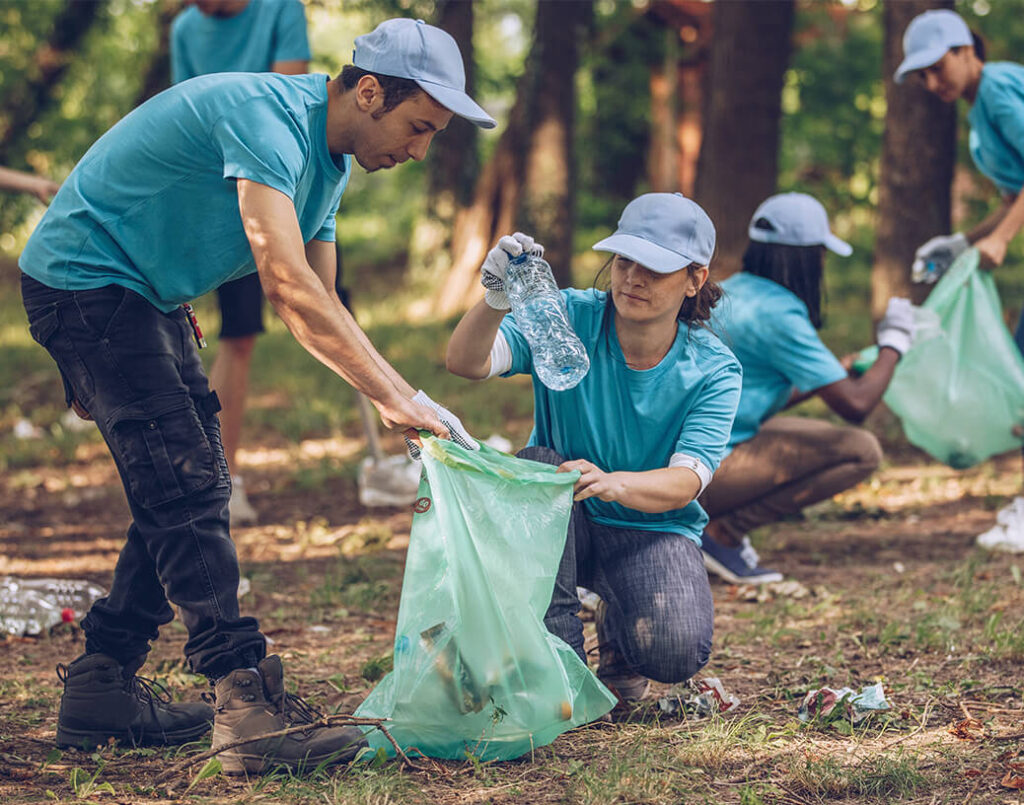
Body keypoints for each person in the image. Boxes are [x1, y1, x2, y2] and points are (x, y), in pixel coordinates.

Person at [20, 18, 492, 773]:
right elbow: (283, 281)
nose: (418, 149)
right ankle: (244, 703)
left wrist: (402, 397)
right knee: (181, 482)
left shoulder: (328, 167)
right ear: (369, 91)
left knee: (191, 476)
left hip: (143, 292)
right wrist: (396, 397)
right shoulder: (268, 118)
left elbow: (322, 299)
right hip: (85, 280)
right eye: (418, 127)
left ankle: (102, 683)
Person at [446, 193, 742, 703]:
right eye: (625, 260)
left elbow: (685, 482)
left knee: (675, 651)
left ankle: (619, 630)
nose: (633, 278)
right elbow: (466, 362)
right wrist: (494, 301)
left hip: (650, 530)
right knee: (537, 465)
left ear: (695, 279)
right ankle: (560, 662)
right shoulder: (565, 317)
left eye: (655, 267)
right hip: (564, 517)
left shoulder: (714, 369)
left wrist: (614, 482)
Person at [700, 193, 916, 584]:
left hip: (687, 452)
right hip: (705, 469)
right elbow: (857, 404)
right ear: (805, 257)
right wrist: (894, 344)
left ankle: (713, 532)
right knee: (860, 450)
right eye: (821, 254)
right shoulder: (780, 313)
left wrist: (837, 370)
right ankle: (721, 533)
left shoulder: (734, 291)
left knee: (808, 437)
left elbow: (755, 391)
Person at [171, 0, 313, 525]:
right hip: (212, 188)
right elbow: (188, 109)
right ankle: (215, 478)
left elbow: (284, 97)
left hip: (273, 181)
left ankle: (223, 477)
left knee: (309, 308)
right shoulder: (187, 27)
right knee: (212, 328)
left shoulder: (281, 10)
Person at [896, 8, 1024, 554]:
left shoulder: (995, 87)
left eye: (935, 66)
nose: (931, 81)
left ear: (965, 49)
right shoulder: (982, 105)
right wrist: (965, 242)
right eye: (920, 75)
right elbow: (1013, 197)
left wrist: (999, 242)